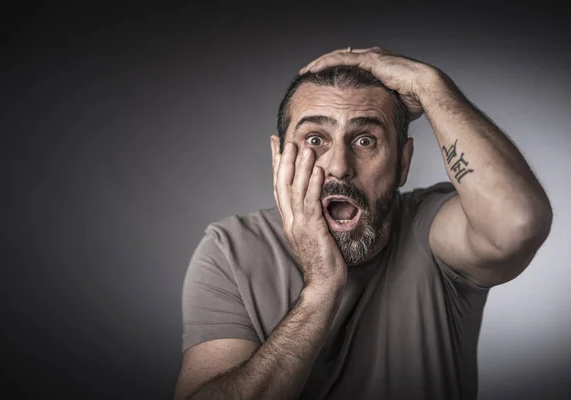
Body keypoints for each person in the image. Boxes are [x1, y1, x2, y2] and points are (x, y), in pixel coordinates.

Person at [173, 47, 553, 400]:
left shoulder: (433, 229)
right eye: (315, 139)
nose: (339, 166)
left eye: (365, 140)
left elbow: (519, 221)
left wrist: (430, 85)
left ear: (403, 163)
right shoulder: (230, 249)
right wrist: (321, 289)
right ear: (279, 159)